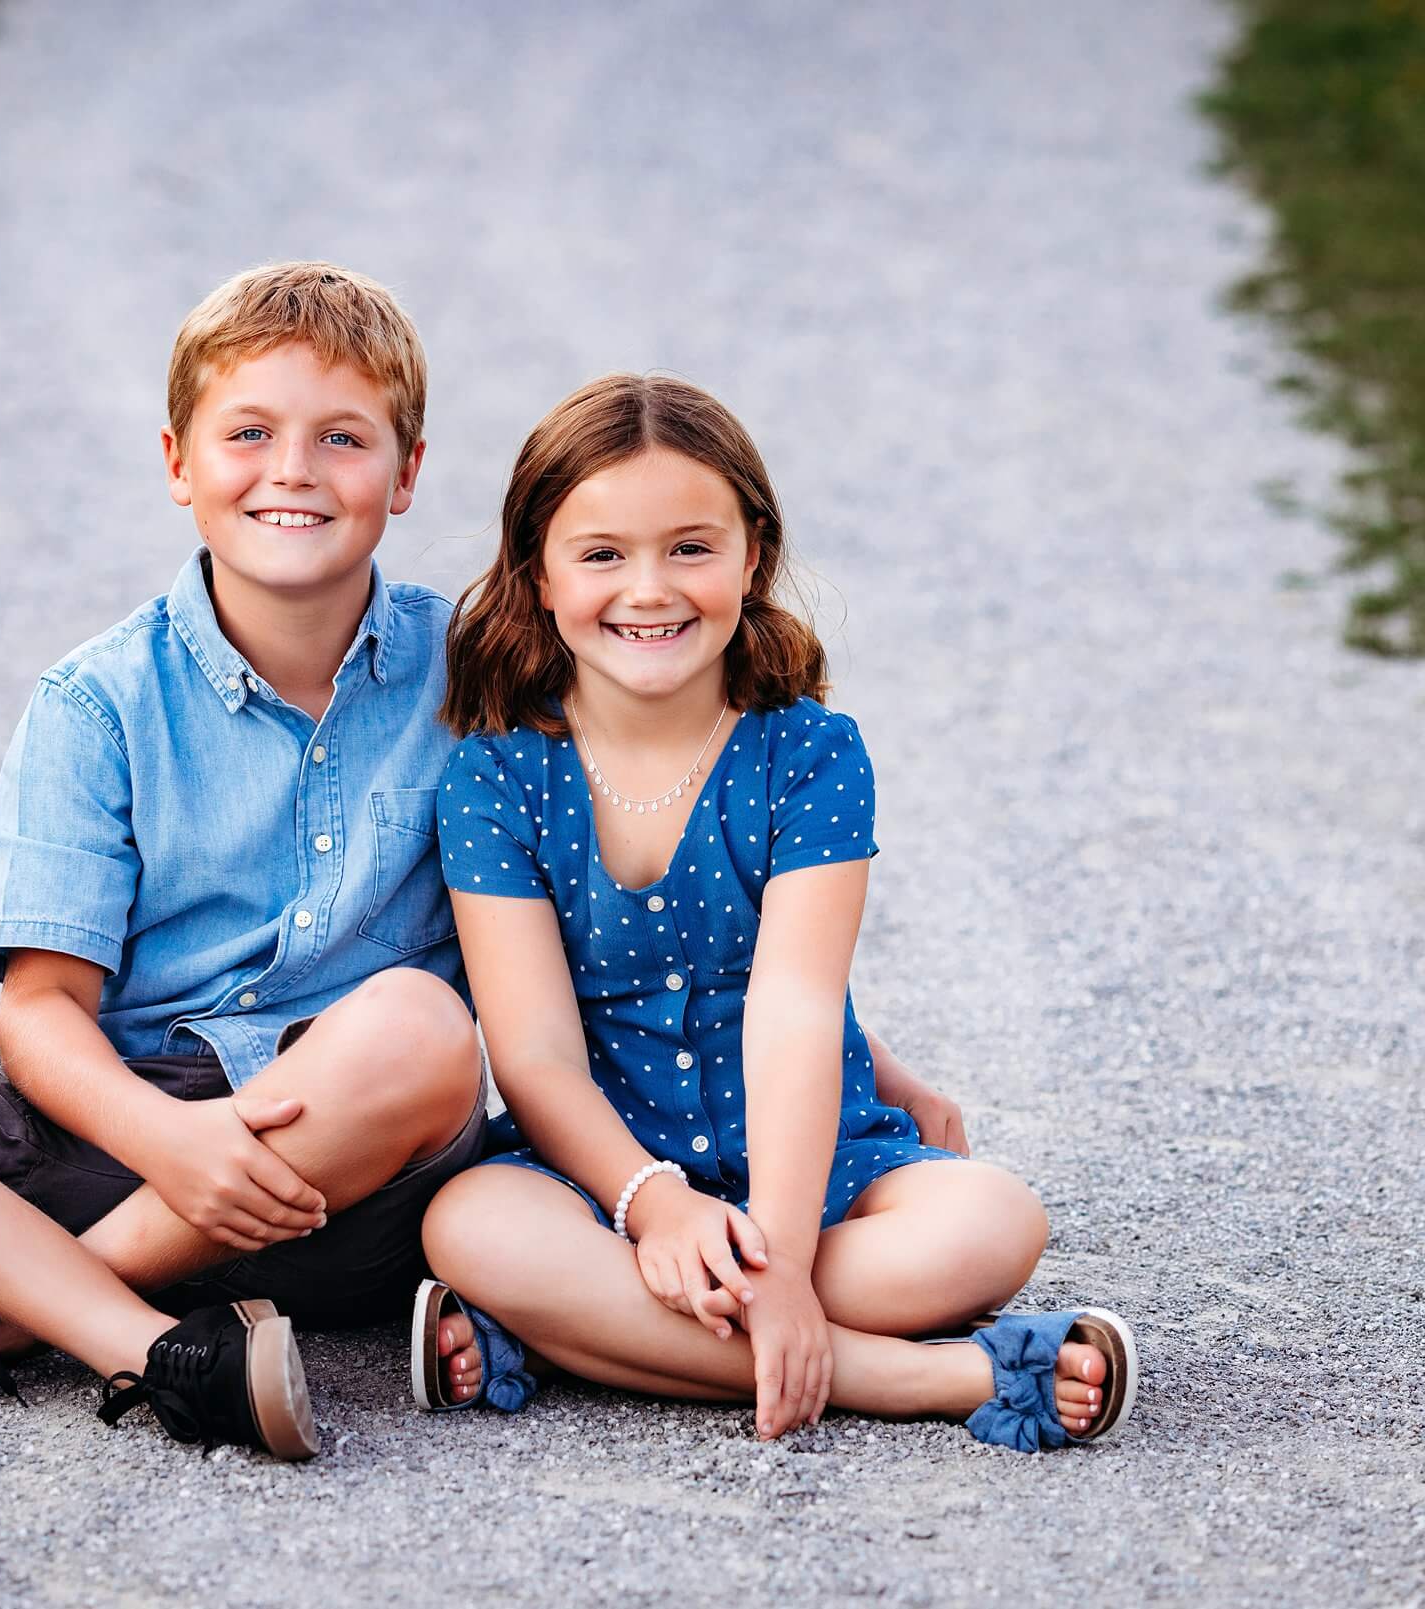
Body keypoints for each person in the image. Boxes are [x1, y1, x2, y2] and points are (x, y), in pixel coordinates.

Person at [0, 262, 488, 1461]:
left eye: (341, 436)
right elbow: (41, 1011)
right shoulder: (97, 702)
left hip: (343, 1175)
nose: (291, 469)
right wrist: (166, 1138)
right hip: (120, 1139)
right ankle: (141, 1344)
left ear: (406, 473)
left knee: (421, 1025)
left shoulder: (478, 676)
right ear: (178, 464)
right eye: (248, 432)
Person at [410, 374, 1137, 1452]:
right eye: (601, 553)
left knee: (991, 1224)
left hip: (810, 1162)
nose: (648, 589)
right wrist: (654, 1206)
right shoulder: (496, 779)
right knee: (468, 1223)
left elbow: (796, 1002)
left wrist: (786, 1261)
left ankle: (576, 1336)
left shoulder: (805, 755)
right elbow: (535, 1056)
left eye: (689, 547)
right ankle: (933, 1377)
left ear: (752, 553)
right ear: (538, 574)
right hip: (605, 1174)